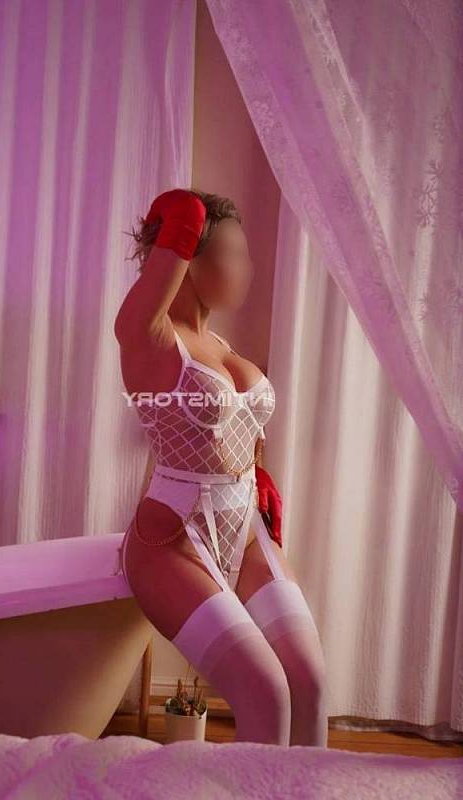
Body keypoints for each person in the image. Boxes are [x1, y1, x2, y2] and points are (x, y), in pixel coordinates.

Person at [114, 188, 328, 746]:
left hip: (246, 531)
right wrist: (182, 222)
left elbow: (240, 437)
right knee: (265, 691)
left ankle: (306, 788)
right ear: (187, 262)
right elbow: (180, 222)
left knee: (308, 682)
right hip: (174, 541)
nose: (247, 268)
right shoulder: (149, 336)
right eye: (234, 253)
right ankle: (253, 787)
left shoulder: (218, 343)